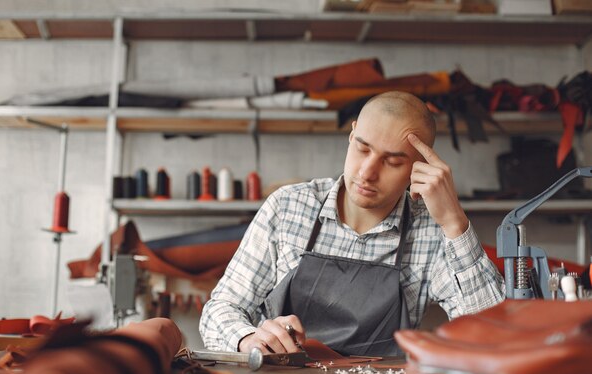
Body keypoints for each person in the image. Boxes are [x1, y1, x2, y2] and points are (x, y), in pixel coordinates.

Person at [199, 91, 505, 356]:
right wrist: (248, 338)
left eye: (393, 161)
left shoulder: (432, 231)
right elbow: (219, 311)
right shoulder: (289, 207)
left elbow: (493, 338)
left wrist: (455, 224)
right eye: (363, 148)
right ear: (352, 132)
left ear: (419, 167)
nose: (368, 172)